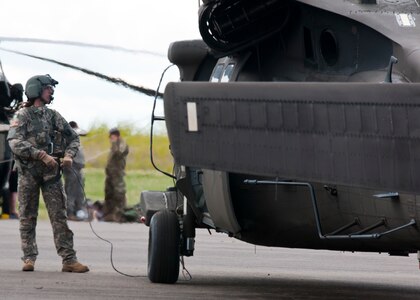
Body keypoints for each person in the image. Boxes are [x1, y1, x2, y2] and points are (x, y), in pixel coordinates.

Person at [7, 74, 89, 272]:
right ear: (36, 90)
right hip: (28, 174)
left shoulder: (52, 115)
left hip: (51, 175)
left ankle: (69, 260)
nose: (51, 91)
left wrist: (69, 155)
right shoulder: (22, 116)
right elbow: (14, 142)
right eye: (47, 88)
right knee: (27, 217)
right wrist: (41, 155)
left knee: (59, 216)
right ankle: (29, 258)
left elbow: (73, 138)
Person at [103, 128, 129, 222]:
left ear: (116, 136)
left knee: (119, 193)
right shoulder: (114, 145)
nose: (110, 138)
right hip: (110, 174)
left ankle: (119, 214)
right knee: (109, 193)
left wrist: (114, 143)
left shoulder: (121, 143)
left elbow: (119, 152)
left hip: (117, 174)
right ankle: (109, 214)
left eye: (112, 136)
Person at [63, 121, 87, 220]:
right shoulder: (68, 136)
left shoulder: (76, 137)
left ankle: (78, 211)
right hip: (71, 167)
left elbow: (85, 132)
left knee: (79, 191)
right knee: (71, 191)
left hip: (78, 168)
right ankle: (69, 212)